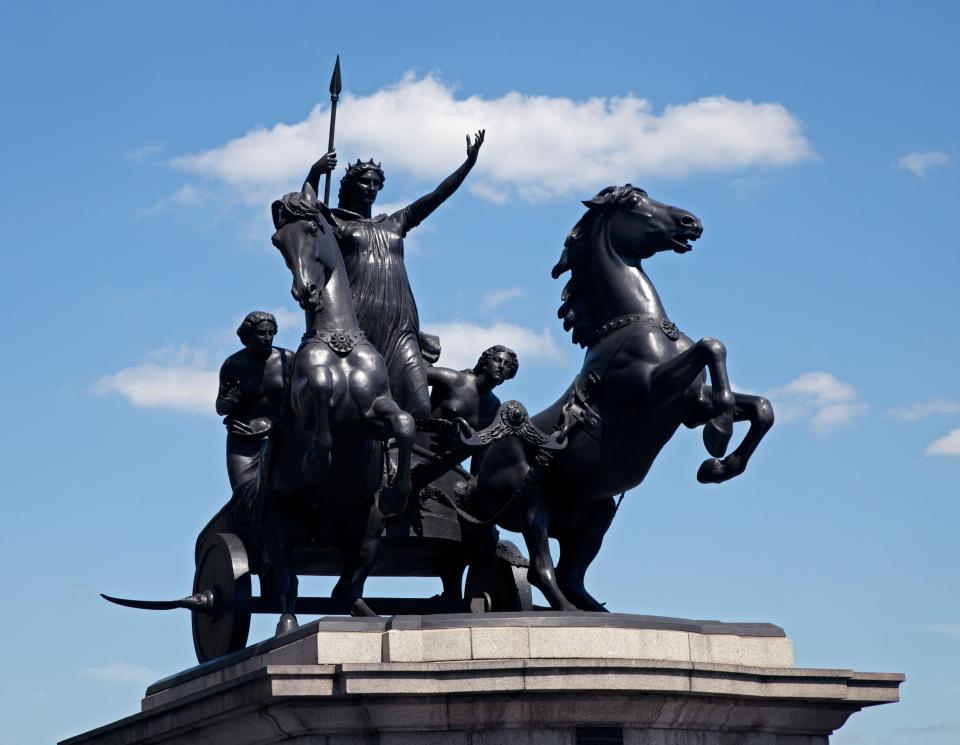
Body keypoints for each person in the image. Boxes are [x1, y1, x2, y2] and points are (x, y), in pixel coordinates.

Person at [302, 131, 485, 418]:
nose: (371, 188)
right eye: (365, 181)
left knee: (419, 405)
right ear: (350, 185)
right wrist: (314, 173)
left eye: (376, 183)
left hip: (400, 323)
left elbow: (437, 195)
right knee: (360, 404)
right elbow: (306, 210)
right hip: (358, 321)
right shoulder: (334, 221)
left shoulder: (395, 223)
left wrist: (468, 165)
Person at [216, 311, 295, 489]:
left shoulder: (287, 359)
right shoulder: (233, 364)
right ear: (248, 335)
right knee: (243, 495)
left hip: (280, 437)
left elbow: (301, 398)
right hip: (243, 440)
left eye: (271, 333)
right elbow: (220, 407)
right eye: (261, 333)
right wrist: (230, 402)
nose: (267, 338)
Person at [427, 345, 518, 473]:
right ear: (485, 363)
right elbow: (411, 373)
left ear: (509, 374)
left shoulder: (494, 406)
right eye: (497, 360)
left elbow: (480, 449)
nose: (501, 366)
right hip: (419, 450)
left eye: (507, 365)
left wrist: (473, 484)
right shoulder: (453, 379)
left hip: (449, 467)